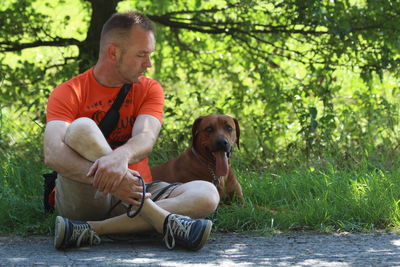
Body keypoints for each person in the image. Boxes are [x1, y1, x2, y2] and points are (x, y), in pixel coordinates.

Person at [43, 11, 220, 251]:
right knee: (82, 127)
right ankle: (158, 219)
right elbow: (53, 154)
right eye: (141, 55)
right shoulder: (69, 91)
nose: (148, 63)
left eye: (149, 55)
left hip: (138, 191)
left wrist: (120, 158)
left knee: (207, 193)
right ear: (113, 52)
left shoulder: (149, 89)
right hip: (86, 194)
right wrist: (117, 183)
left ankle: (91, 229)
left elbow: (145, 137)